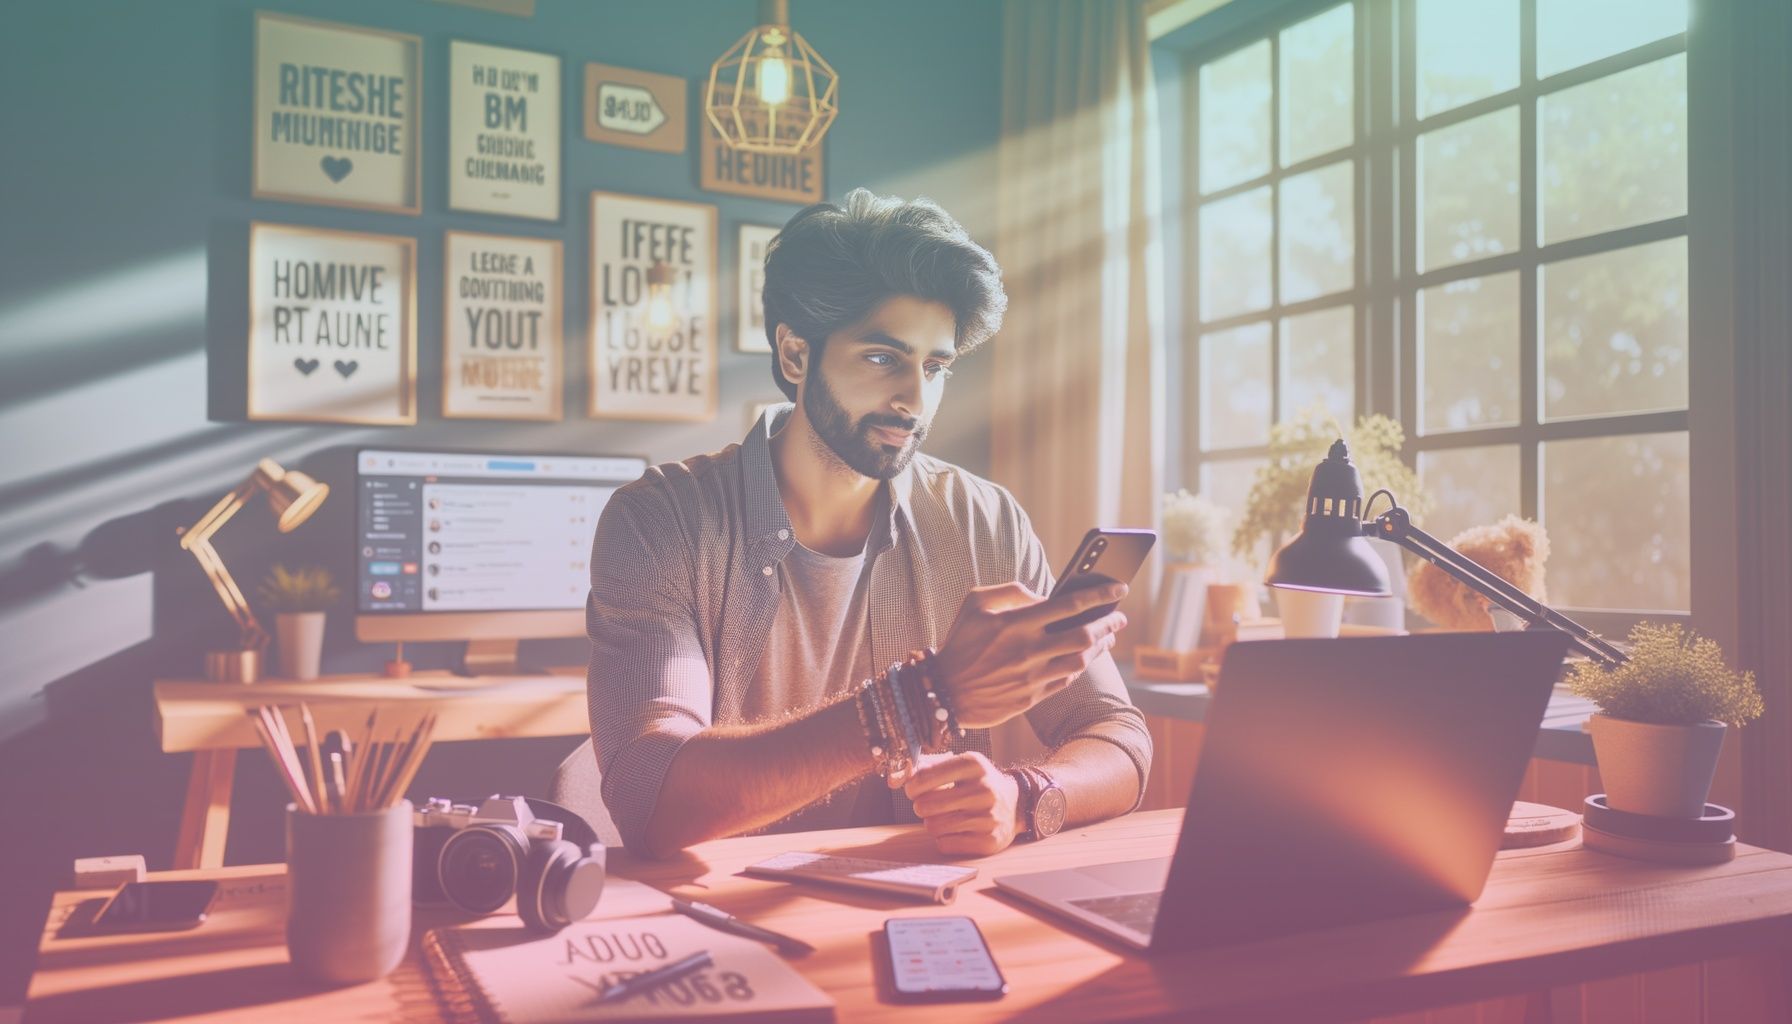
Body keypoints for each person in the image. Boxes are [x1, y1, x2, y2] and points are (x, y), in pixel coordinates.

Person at [587, 189, 1151, 859]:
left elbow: (1118, 734)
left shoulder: (984, 520)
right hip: (718, 917)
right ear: (795, 356)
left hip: (931, 914)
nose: (915, 398)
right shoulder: (660, 521)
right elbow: (651, 800)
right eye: (884, 358)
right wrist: (919, 698)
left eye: (935, 366)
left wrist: (1027, 797)